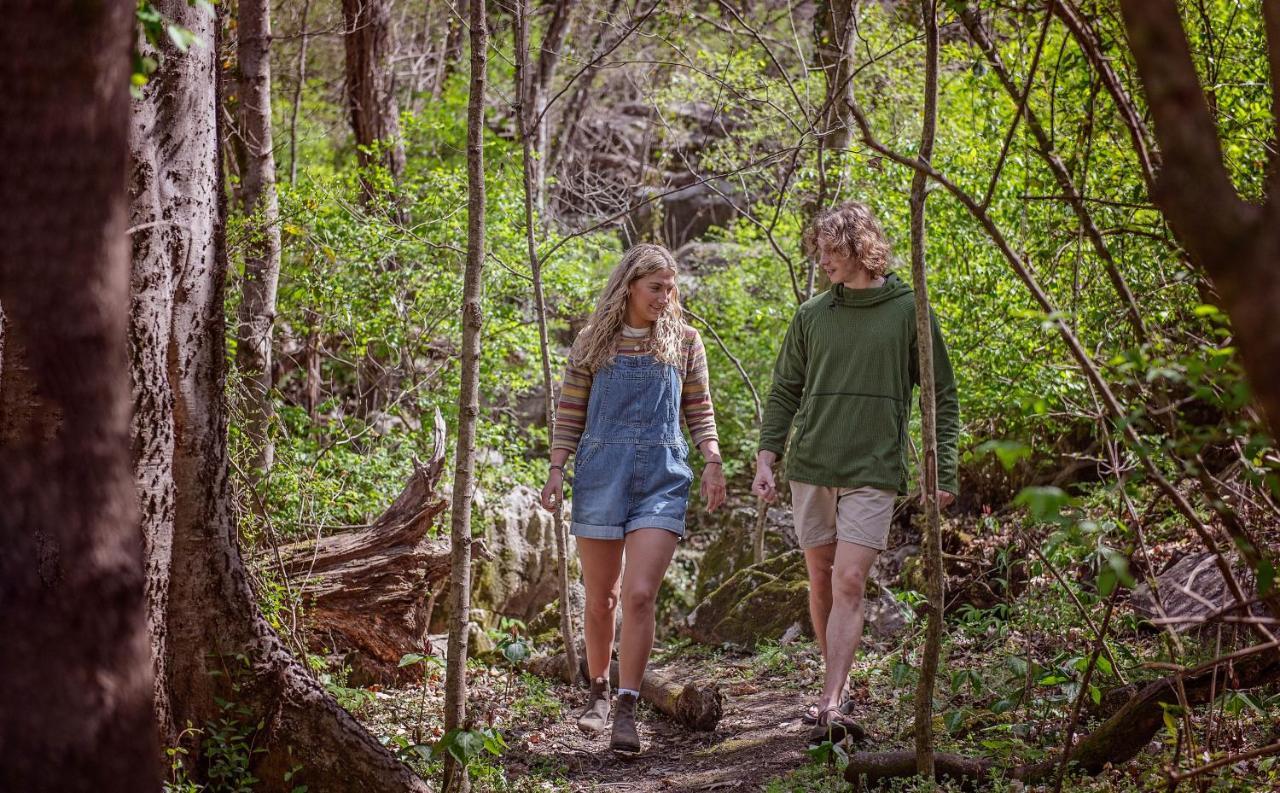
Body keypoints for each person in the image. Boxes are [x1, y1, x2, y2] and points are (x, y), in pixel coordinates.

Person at [751, 201, 959, 744]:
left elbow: (942, 394)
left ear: (861, 247)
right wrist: (767, 456)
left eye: (831, 250)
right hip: (812, 464)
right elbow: (784, 391)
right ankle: (833, 679)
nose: (822, 261)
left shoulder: (909, 311)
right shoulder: (812, 315)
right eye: (819, 251)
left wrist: (944, 468)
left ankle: (831, 700)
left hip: (874, 468)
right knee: (820, 577)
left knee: (849, 579)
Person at [541, 243, 727, 755]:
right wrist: (557, 469)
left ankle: (626, 705)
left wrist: (712, 458)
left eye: (671, 288)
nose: (666, 298)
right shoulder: (591, 343)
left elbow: (700, 408)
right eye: (656, 288)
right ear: (628, 287)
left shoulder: (685, 342)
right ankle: (597, 690)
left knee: (640, 594)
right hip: (601, 473)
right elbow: (570, 412)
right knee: (601, 599)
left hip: (662, 476)